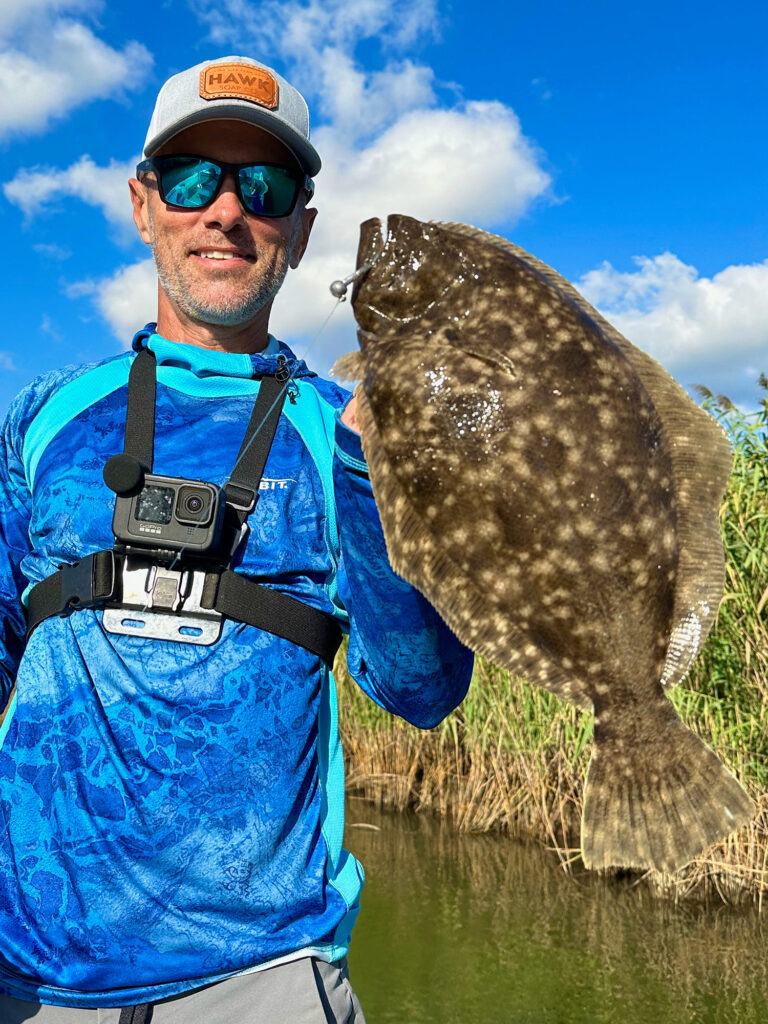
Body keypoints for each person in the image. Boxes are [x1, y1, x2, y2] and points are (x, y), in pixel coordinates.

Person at [0, 55, 473, 1023]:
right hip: (29, 977)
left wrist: (367, 473)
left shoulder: (346, 431)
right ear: (144, 205)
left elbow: (426, 689)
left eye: (262, 187)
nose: (225, 209)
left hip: (266, 979)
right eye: (191, 179)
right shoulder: (42, 424)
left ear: (299, 229)